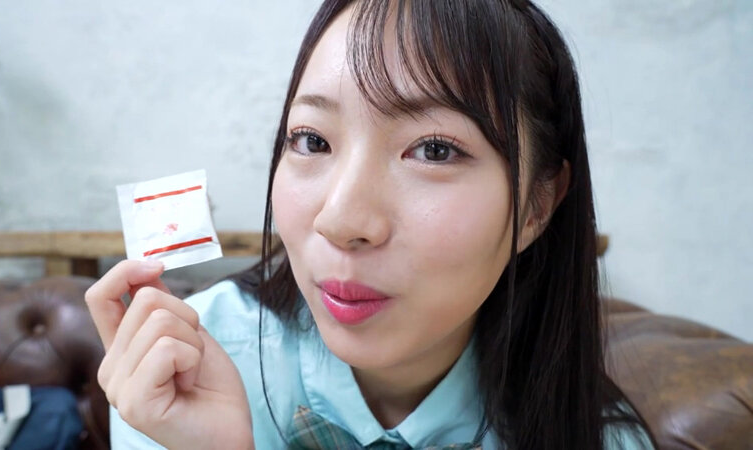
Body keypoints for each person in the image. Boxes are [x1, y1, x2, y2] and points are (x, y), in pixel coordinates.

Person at [86, 0, 656, 448]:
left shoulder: (599, 438)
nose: (340, 221)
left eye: (434, 150)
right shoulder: (185, 364)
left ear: (537, 205)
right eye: (312, 140)